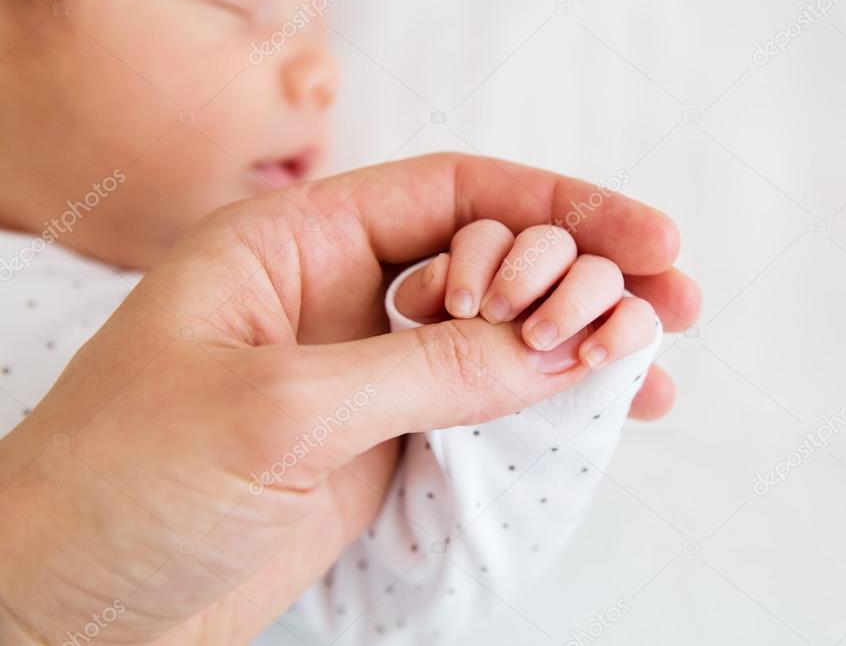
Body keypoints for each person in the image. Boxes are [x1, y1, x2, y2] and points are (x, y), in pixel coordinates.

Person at [0, 154, 699, 645]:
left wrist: (531, 383)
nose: (317, 72)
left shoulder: (269, 347)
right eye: (229, 4)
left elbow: (396, 598)